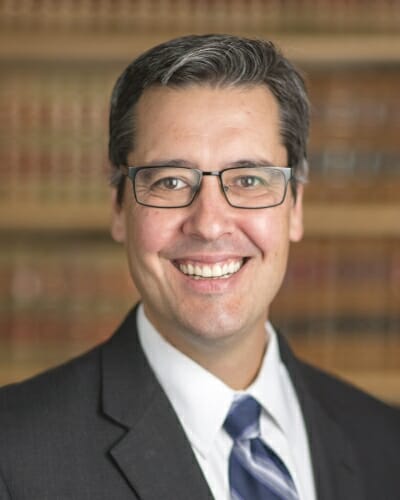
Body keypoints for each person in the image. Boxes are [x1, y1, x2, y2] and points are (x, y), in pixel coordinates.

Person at [0, 34, 398, 500]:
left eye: (249, 179)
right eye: (170, 181)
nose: (209, 224)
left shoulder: (386, 442)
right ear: (118, 207)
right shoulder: (14, 456)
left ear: (295, 208)